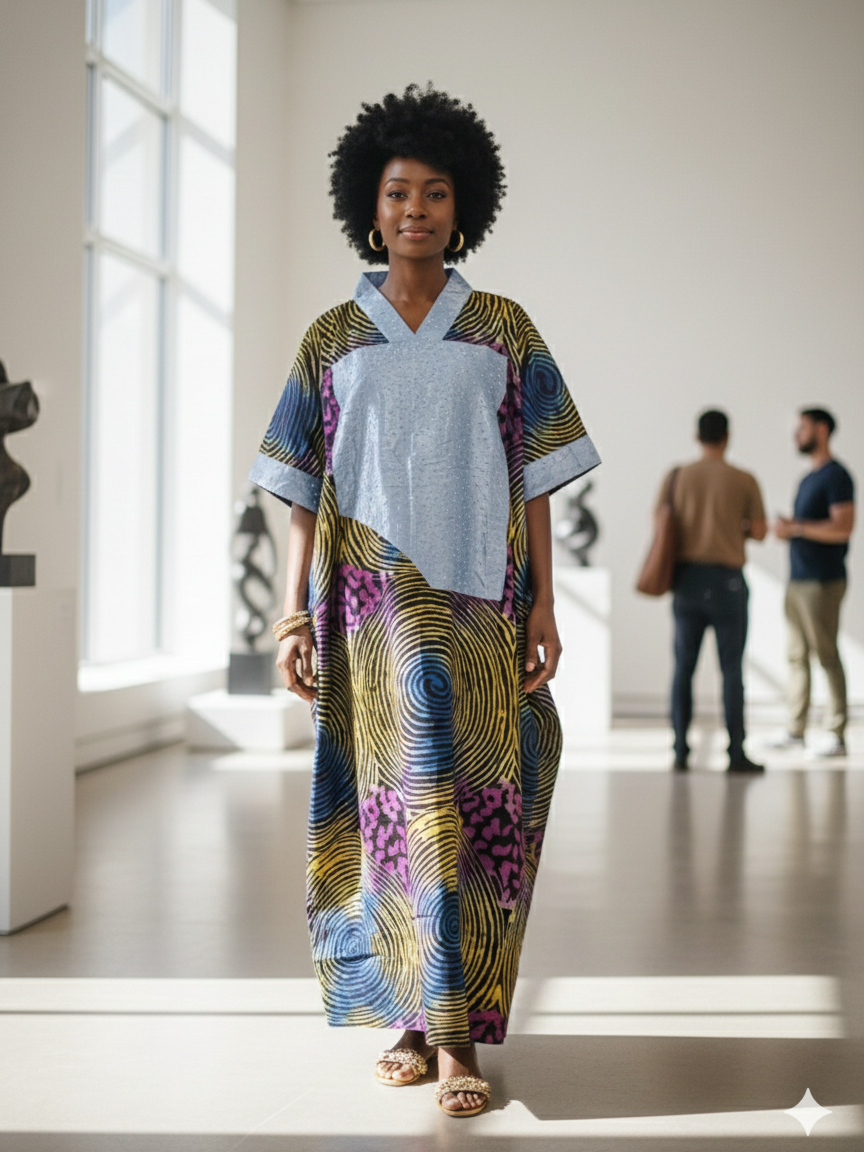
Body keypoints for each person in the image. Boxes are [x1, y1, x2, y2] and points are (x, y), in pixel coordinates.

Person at [249, 85, 600, 1118]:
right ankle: (412, 1023)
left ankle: (461, 1038)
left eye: (435, 193)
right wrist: (290, 613)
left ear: (464, 208)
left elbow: (536, 472)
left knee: (478, 820)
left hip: (483, 613)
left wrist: (542, 603)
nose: (416, 210)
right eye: (399, 192)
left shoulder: (502, 329)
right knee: (393, 822)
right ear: (370, 207)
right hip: (366, 617)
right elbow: (303, 488)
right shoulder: (330, 339)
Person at [656, 409, 767, 772]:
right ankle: (736, 752)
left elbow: (659, 521)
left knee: (683, 668)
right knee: (732, 669)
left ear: (697, 436)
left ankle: (680, 751)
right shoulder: (744, 479)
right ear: (727, 436)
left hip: (687, 581)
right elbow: (761, 531)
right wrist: (736, 528)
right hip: (727, 583)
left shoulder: (678, 476)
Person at [773, 408, 855, 756]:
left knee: (826, 654)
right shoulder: (808, 479)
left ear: (821, 430)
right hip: (797, 579)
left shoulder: (837, 476)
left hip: (822, 581)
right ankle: (796, 731)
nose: (797, 433)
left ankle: (836, 734)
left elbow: (843, 527)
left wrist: (799, 528)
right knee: (795, 656)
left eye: (803, 427)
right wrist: (791, 528)